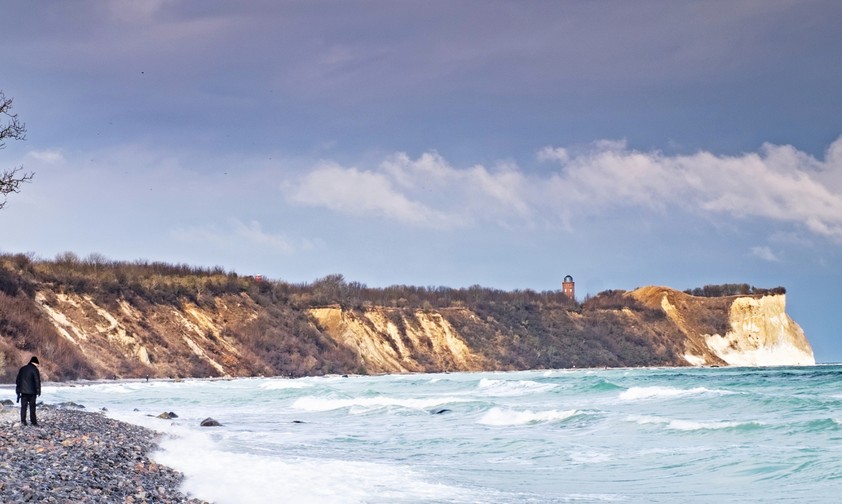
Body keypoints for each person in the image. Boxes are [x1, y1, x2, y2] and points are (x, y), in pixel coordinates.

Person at [15, 356, 41, 426]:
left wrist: (18, 390)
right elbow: (37, 381)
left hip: (23, 391)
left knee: (23, 407)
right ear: (35, 363)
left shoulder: (22, 369)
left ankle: (23, 421)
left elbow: (18, 380)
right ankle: (33, 422)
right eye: (37, 364)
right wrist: (38, 391)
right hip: (32, 392)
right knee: (32, 407)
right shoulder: (35, 370)